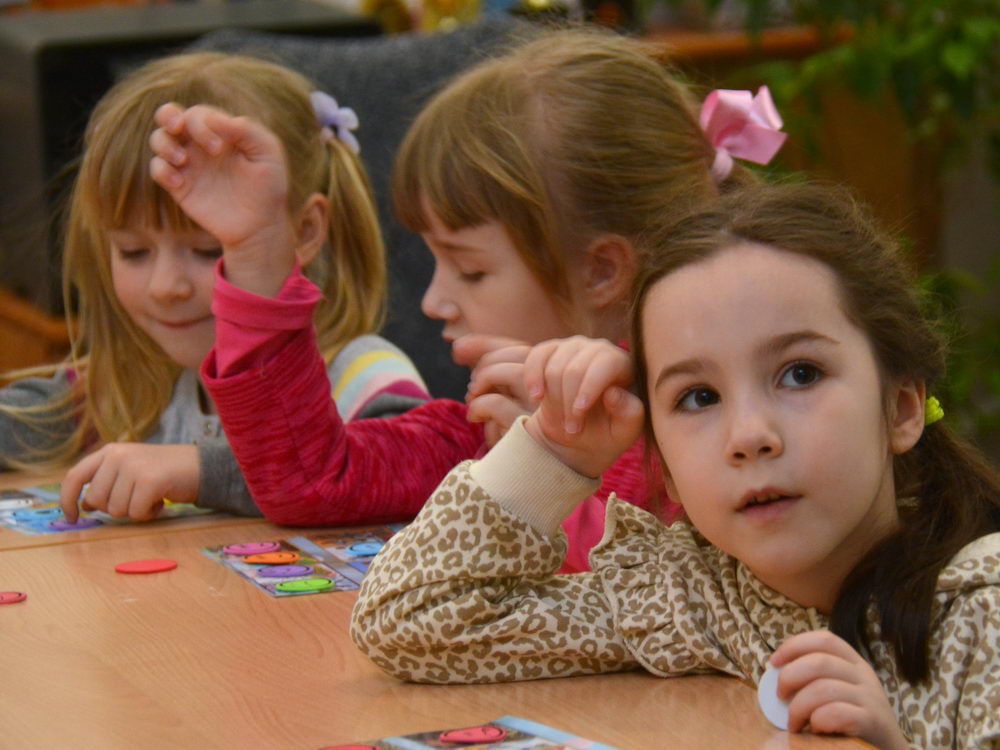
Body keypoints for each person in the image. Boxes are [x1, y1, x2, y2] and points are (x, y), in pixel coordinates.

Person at [351, 183, 1000, 749]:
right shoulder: (706, 595)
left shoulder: (982, 616)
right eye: (698, 398)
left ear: (901, 408)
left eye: (800, 374)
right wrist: (557, 451)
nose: (749, 437)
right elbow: (416, 621)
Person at [188, 27, 786, 571]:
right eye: (436, 262)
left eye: (470, 271)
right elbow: (310, 479)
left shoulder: (723, 434)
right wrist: (258, 255)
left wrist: (545, 464)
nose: (433, 302)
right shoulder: (486, 428)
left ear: (602, 271)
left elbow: (660, 584)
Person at [0, 52, 427, 523]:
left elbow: (400, 475)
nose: (166, 287)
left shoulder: (364, 376)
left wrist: (198, 469)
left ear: (303, 231)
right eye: (133, 251)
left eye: (207, 251)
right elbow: (27, 419)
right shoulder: (139, 382)